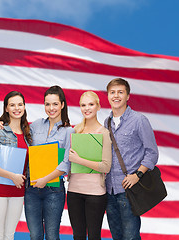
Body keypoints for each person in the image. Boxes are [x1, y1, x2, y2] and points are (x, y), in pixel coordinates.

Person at [104, 78, 158, 240]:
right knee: (117, 236)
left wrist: (137, 175)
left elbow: (152, 153)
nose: (116, 96)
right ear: (107, 96)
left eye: (120, 92)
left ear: (128, 96)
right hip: (109, 190)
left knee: (131, 237)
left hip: (129, 190)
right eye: (112, 92)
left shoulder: (139, 120)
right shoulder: (106, 123)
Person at [24, 85, 74, 240]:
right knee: (35, 235)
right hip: (31, 189)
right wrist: (1, 124)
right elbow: (22, 140)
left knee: (52, 236)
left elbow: (66, 163)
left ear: (62, 105)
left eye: (55, 104)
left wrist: (45, 180)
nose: (51, 108)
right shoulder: (36, 124)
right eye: (47, 104)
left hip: (54, 190)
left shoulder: (69, 131)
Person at [0, 91, 31, 240]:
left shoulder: (29, 134)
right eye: (12, 105)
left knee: (9, 235)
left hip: (19, 191)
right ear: (6, 109)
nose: (17, 108)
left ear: (24, 107)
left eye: (20, 104)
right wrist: (12, 176)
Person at [67, 91, 112, 240]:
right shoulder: (75, 131)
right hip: (74, 191)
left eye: (91, 104)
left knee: (94, 236)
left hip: (95, 194)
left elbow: (106, 167)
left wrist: (78, 160)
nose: (87, 108)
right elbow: (65, 160)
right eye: (83, 105)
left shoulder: (104, 133)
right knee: (78, 236)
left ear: (98, 107)